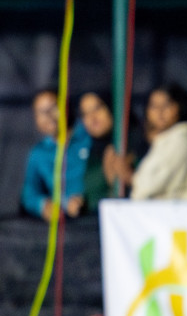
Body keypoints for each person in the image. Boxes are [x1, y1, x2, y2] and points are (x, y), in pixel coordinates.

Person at [126, 83, 187, 201]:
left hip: (169, 214)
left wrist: (128, 176)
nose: (160, 112)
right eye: (154, 106)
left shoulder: (180, 140)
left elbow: (149, 186)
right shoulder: (163, 140)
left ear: (179, 107)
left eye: (166, 105)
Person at [20, 89, 84, 220]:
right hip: (62, 225)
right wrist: (43, 205)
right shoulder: (38, 153)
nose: (48, 116)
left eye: (53, 107)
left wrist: (83, 199)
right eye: (41, 112)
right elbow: (29, 194)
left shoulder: (87, 136)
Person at [71, 90, 118, 213]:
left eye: (97, 108)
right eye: (85, 114)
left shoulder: (131, 143)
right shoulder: (90, 150)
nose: (92, 118)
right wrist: (82, 202)